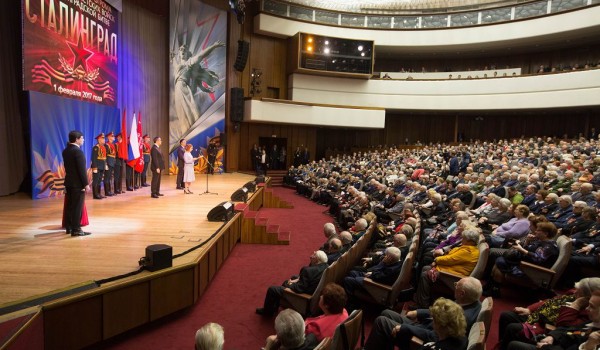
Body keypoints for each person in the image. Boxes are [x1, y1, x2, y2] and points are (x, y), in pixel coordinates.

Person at [364, 276, 481, 350]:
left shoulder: (463, 317)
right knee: (387, 312)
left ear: (462, 293)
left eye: (457, 285)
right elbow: (442, 310)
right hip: (426, 326)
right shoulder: (471, 301)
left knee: (381, 322)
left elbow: (436, 336)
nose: (455, 286)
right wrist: (418, 312)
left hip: (421, 336)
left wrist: (406, 328)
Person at [497, 277, 600, 350]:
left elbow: (564, 325)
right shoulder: (574, 294)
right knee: (506, 316)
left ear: (587, 297)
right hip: (539, 318)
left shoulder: (586, 313)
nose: (575, 293)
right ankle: (501, 345)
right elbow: (551, 301)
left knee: (512, 331)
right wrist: (529, 309)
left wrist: (575, 306)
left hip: (546, 326)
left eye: (579, 292)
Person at [414, 228, 481, 308]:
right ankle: (423, 298)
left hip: (451, 278)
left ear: (470, 240)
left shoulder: (468, 251)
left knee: (425, 275)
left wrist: (436, 259)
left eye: (464, 238)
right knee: (425, 268)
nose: (462, 240)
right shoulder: (468, 248)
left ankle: (422, 306)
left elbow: (449, 259)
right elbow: (450, 255)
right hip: (451, 270)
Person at [171, 41, 225, 133]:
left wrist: (214, 45)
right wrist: (171, 57)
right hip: (178, 90)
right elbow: (173, 62)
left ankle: (192, 131)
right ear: (179, 53)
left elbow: (201, 55)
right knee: (183, 115)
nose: (182, 51)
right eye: (180, 49)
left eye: (184, 49)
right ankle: (186, 133)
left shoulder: (189, 63)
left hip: (183, 88)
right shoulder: (177, 63)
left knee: (191, 111)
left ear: (188, 53)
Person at [256, 250, 328, 316]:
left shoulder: (308, 271)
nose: (310, 256)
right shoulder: (326, 266)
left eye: (313, 255)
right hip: (311, 288)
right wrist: (297, 280)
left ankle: (267, 312)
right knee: (293, 278)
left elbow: (299, 289)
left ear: (317, 260)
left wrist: (290, 283)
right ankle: (275, 306)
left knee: (272, 289)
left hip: (304, 296)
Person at [62, 130, 91, 236]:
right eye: (82, 138)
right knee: (77, 207)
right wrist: (86, 184)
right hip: (77, 184)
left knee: (70, 206)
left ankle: (69, 228)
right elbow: (81, 170)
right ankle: (76, 229)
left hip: (69, 182)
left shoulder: (66, 150)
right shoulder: (78, 151)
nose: (83, 140)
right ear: (77, 139)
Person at [91, 133, 107, 200]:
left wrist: (105, 165)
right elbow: (94, 158)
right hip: (97, 166)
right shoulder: (96, 147)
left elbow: (104, 157)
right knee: (96, 181)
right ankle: (95, 195)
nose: (104, 140)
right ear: (99, 139)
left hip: (102, 166)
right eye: (102, 138)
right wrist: (94, 167)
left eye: (104, 138)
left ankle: (99, 193)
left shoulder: (103, 147)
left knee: (100, 180)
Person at [103, 132, 116, 196]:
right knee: (107, 177)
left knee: (109, 177)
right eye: (112, 136)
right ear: (108, 137)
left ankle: (109, 191)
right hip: (108, 162)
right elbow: (105, 155)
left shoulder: (112, 145)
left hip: (112, 162)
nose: (113, 137)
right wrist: (105, 164)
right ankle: (107, 192)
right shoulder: (106, 145)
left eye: (113, 136)